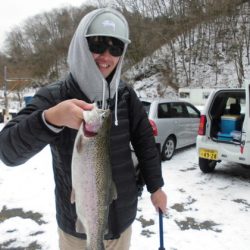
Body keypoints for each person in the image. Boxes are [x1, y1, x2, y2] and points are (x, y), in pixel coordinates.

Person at [0, 7, 167, 250]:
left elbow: (145, 144)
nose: (106, 56)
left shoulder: (125, 95)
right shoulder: (54, 95)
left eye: (116, 48)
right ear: (80, 44)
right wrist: (51, 118)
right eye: (97, 45)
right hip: (75, 229)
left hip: (122, 223)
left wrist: (156, 187)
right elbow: (7, 150)